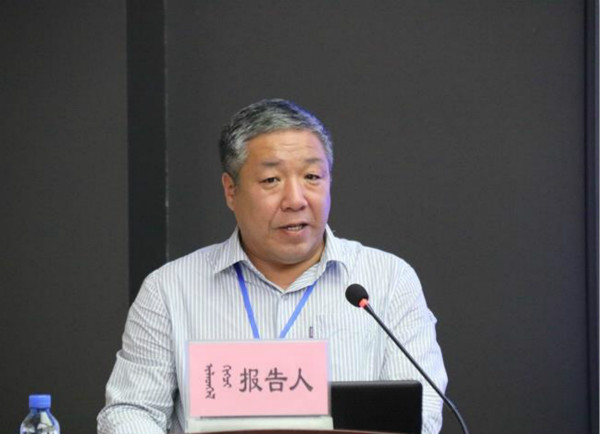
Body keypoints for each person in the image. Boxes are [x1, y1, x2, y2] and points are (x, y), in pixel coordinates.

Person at [97, 99, 448, 434]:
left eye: (312, 177)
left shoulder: (388, 280)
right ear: (231, 190)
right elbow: (131, 410)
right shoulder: (170, 289)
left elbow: (422, 412)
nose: (296, 200)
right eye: (271, 180)